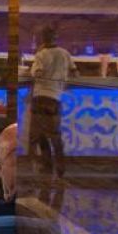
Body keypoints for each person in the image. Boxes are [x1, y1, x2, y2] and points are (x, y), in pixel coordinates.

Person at [28, 25, 77, 183]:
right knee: (55, 136)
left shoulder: (41, 54)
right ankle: (60, 168)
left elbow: (37, 74)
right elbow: (74, 72)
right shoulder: (65, 53)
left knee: (39, 135)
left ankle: (46, 166)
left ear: (43, 38)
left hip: (40, 97)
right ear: (56, 37)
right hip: (55, 98)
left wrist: (36, 60)